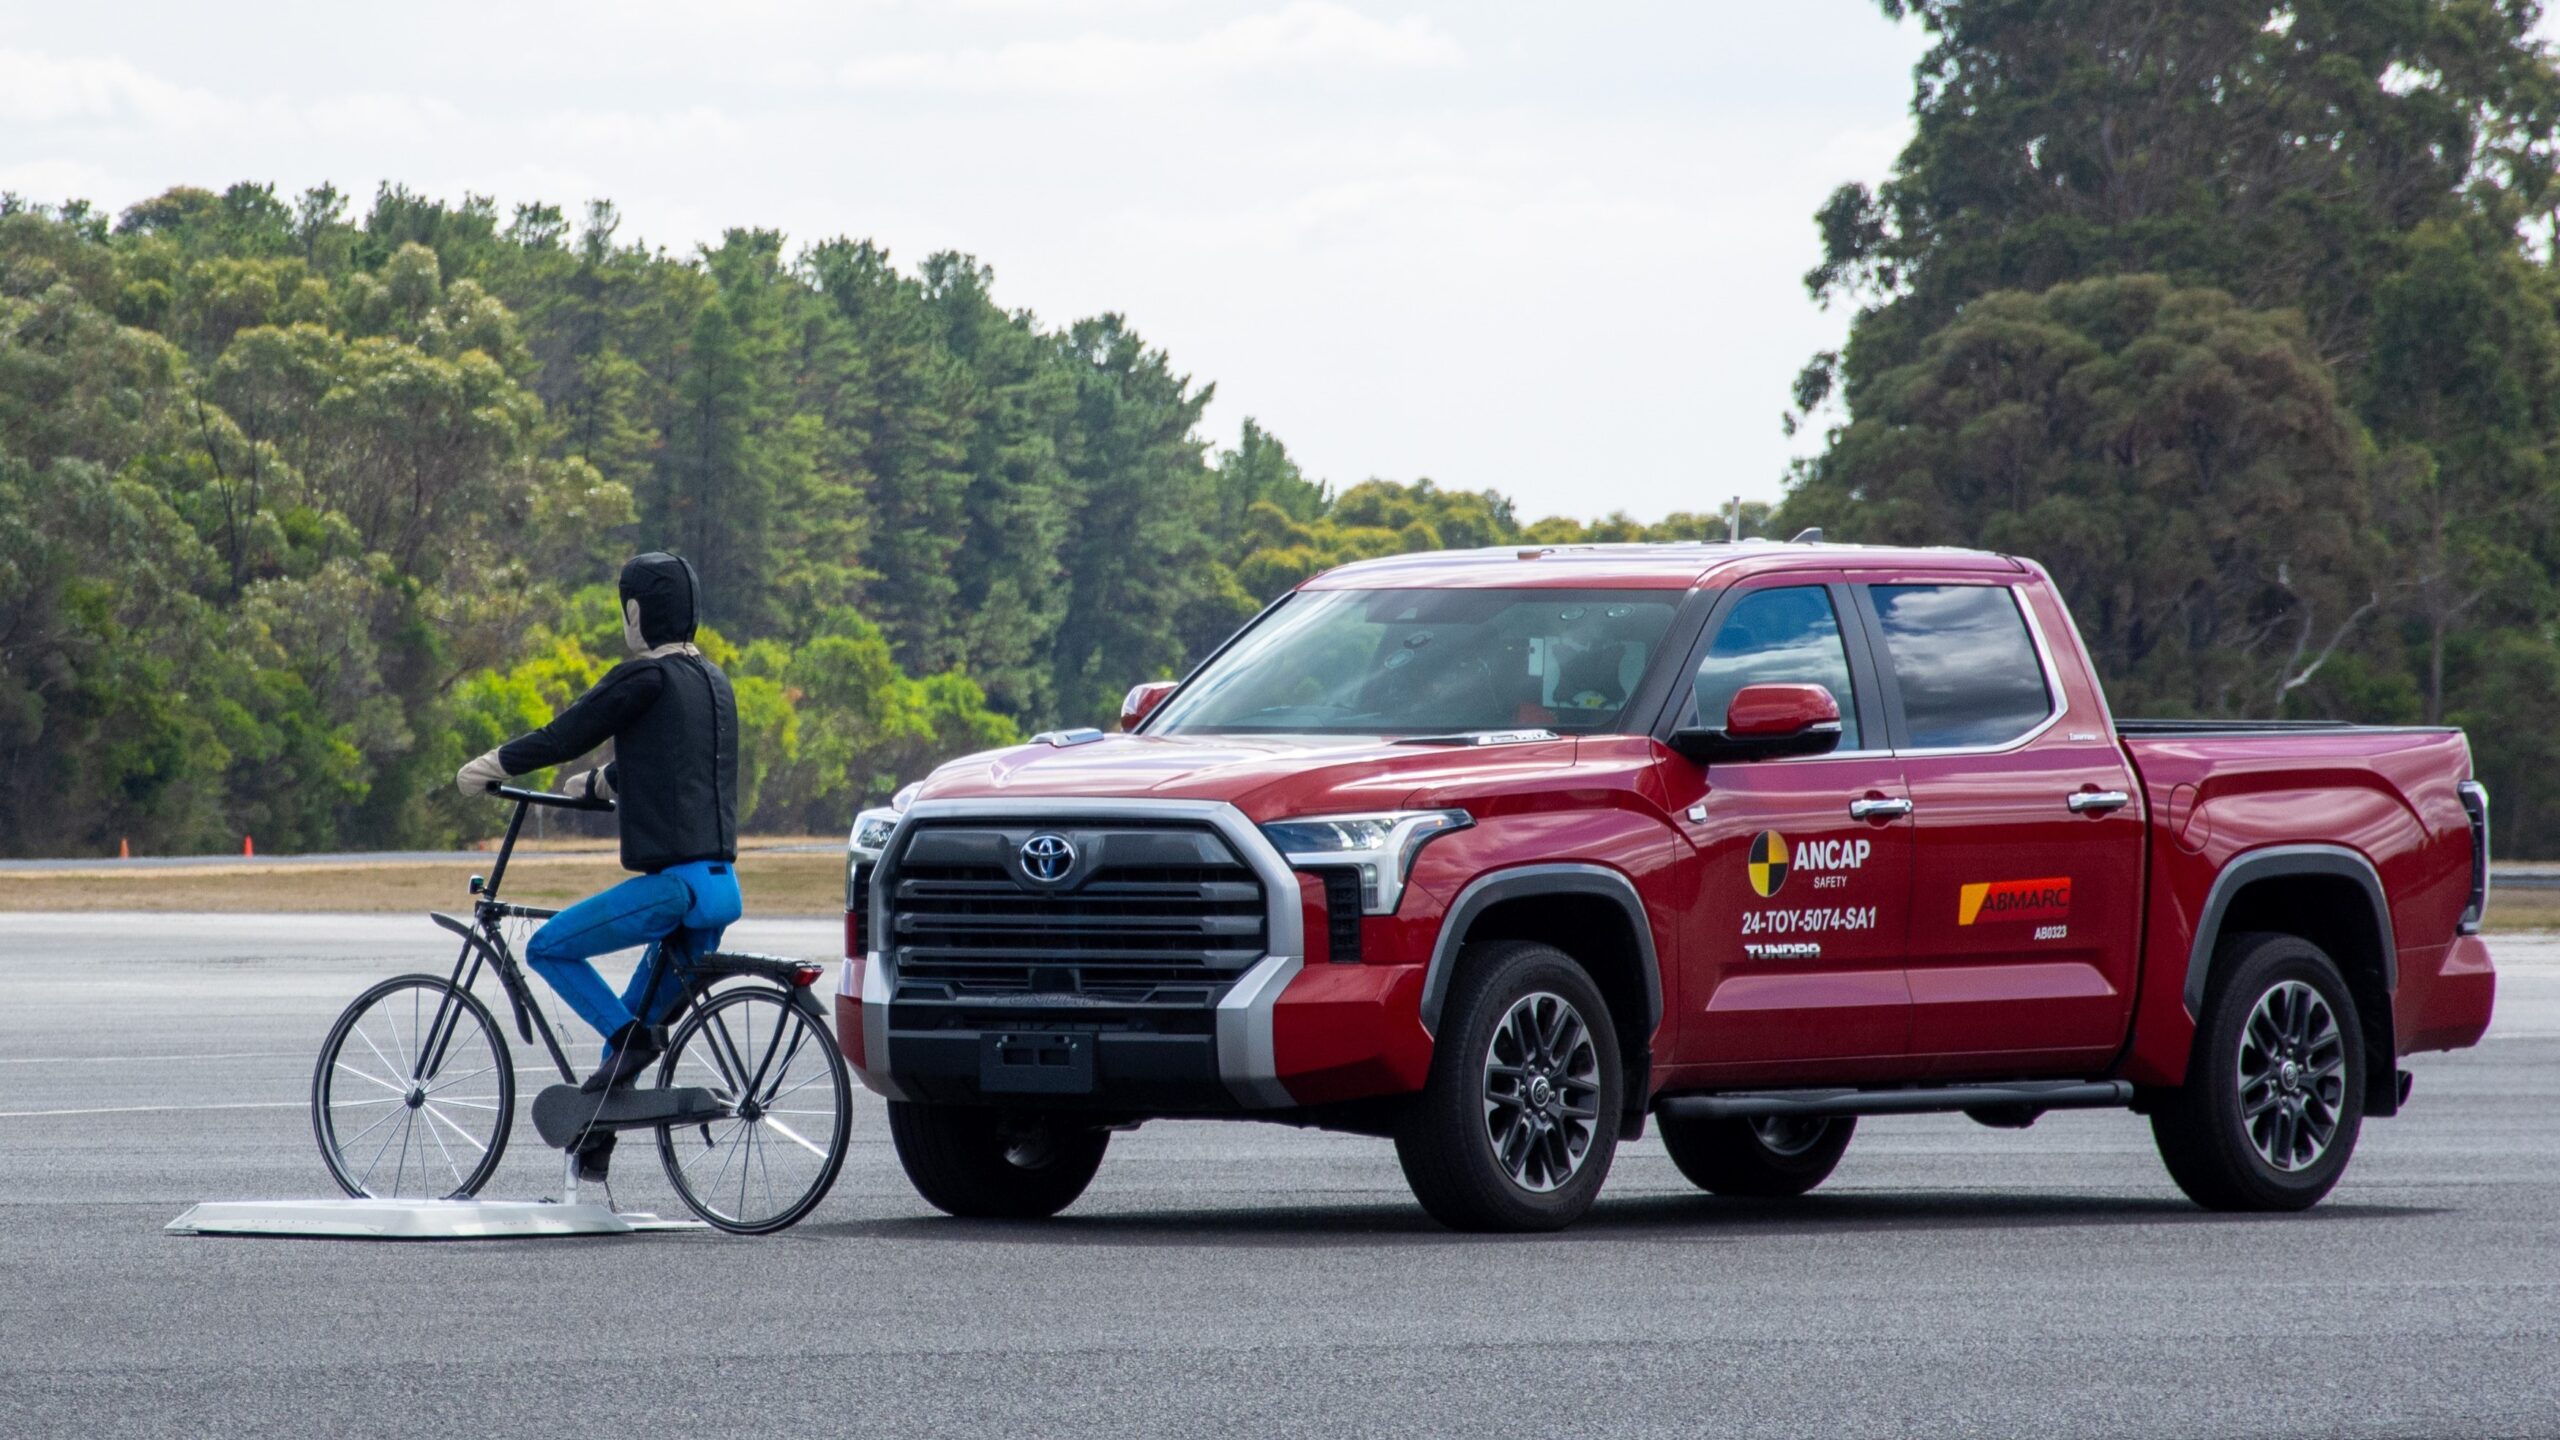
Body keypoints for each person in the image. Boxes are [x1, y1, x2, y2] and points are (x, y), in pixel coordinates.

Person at [456, 551, 740, 1181]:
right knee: (626, 1037)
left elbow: (564, 733)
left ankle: (629, 1057)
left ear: (635, 613)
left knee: (550, 948)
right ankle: (595, 1142)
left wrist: (489, 766)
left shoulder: (642, 677)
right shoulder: (712, 683)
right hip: (722, 889)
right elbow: (675, 760)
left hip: (677, 890)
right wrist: (605, 783)